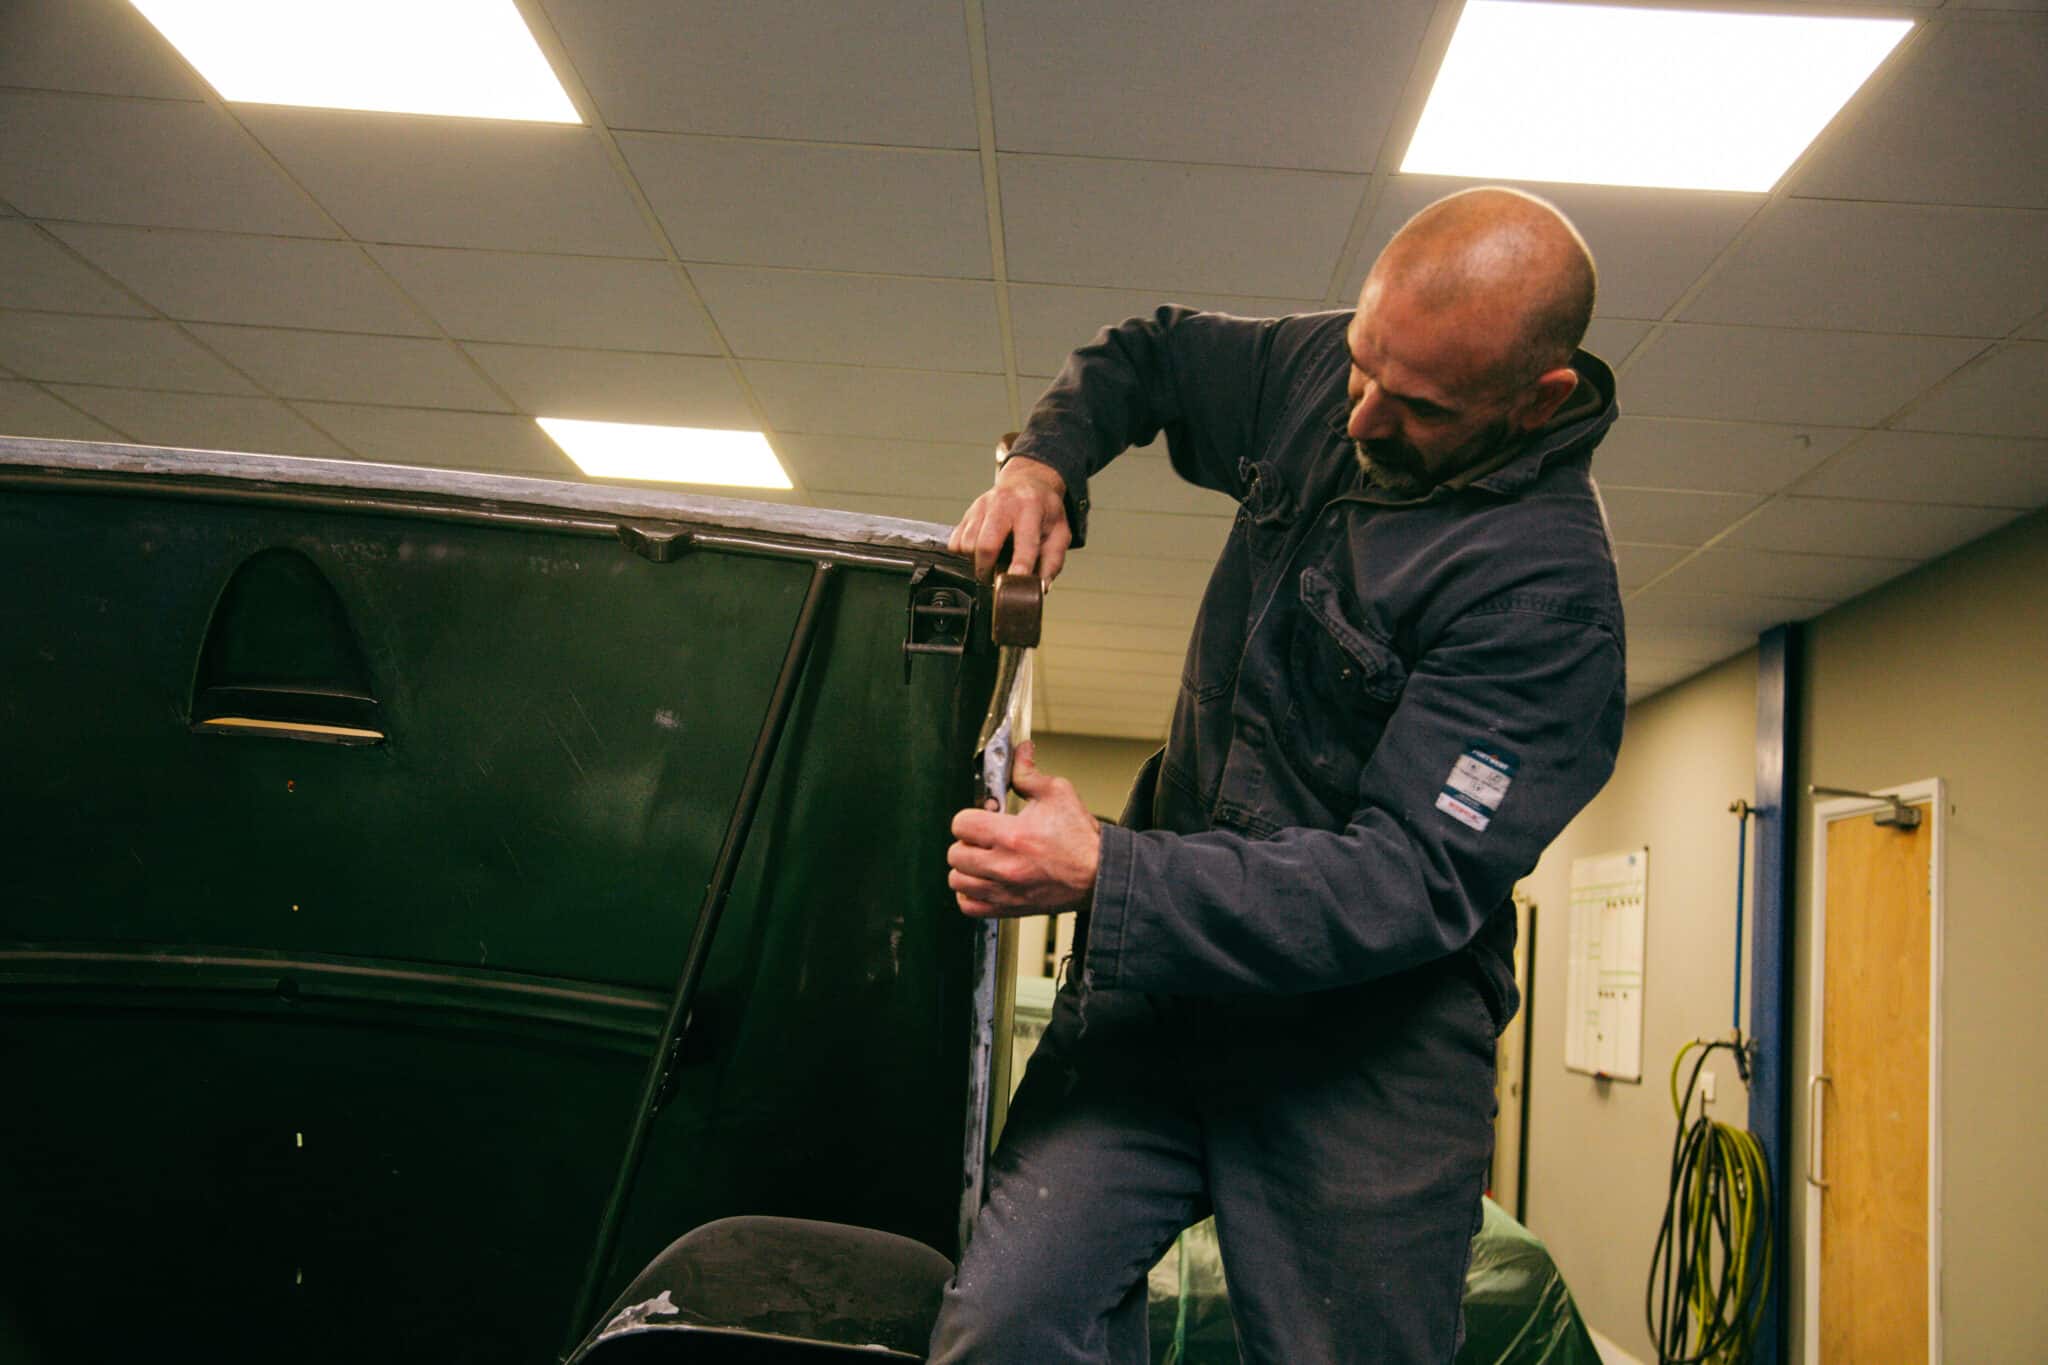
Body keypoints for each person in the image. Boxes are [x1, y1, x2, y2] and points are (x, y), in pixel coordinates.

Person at [930, 187, 1627, 1364]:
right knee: (1007, 1326)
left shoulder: (1545, 604)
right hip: (1167, 1001)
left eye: (1418, 406)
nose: (1359, 414)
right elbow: (1150, 355)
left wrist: (1108, 872)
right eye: (1361, 364)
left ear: (1538, 399)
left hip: (1363, 1051)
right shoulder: (1329, 372)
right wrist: (1041, 465)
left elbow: (1404, 881)